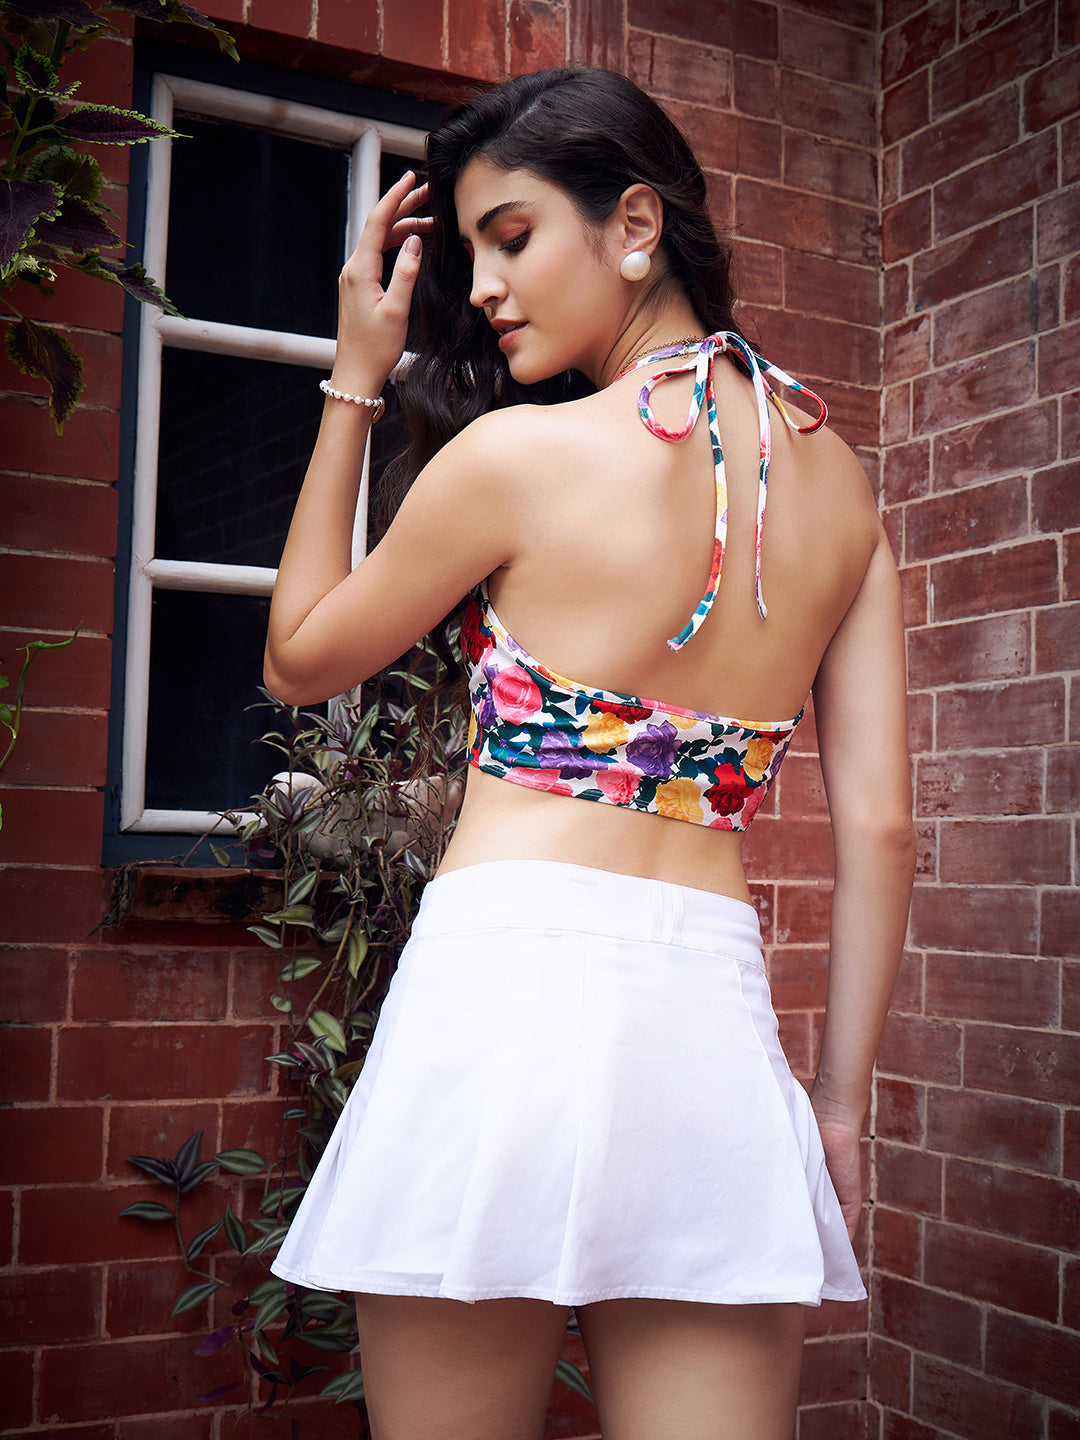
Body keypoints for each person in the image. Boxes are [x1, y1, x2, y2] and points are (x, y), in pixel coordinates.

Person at [266, 67, 915, 1440]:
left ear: (634, 225)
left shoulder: (520, 458)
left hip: (499, 993)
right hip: (709, 1023)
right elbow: (879, 830)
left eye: (510, 237)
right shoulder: (844, 487)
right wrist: (841, 1109)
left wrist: (355, 379)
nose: (486, 288)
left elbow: (300, 655)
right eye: (473, 254)